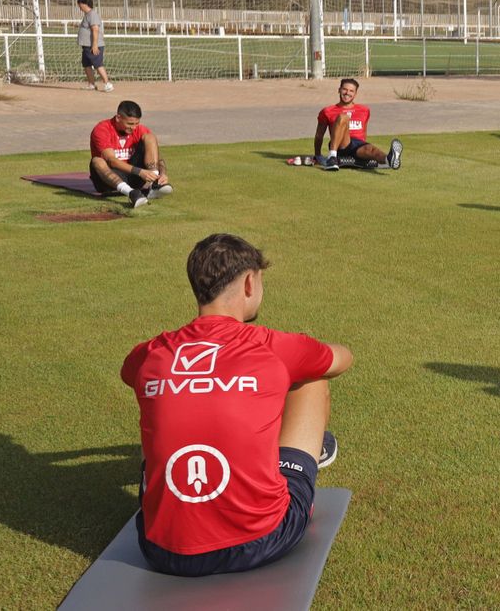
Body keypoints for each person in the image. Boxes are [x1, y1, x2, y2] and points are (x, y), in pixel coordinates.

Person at [121, 233, 354, 576]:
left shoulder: (150, 352)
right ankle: (302, 457)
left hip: (160, 549)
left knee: (160, 399)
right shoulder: (271, 345)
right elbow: (341, 359)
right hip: (259, 540)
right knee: (313, 378)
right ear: (249, 283)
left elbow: (129, 374)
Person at [90, 100, 171, 209]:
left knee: (150, 137)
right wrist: (140, 172)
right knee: (97, 161)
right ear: (118, 118)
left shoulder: (140, 130)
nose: (133, 127)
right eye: (130, 124)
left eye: (136, 123)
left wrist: (162, 174)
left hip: (134, 178)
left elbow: (157, 158)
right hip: (108, 180)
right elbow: (111, 161)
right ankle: (131, 193)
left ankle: (155, 185)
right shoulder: (102, 129)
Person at [314, 78, 402, 172]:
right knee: (343, 117)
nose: (347, 93)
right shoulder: (327, 111)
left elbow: (363, 132)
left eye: (351, 91)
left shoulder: (364, 110)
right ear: (339, 90)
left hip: (358, 145)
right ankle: (332, 157)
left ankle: (389, 159)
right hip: (341, 144)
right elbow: (319, 135)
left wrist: (364, 149)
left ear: (355, 94)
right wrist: (318, 155)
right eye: (344, 89)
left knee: (371, 149)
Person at [77, 0, 113, 93]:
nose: (79, 7)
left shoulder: (92, 15)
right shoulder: (87, 15)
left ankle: (107, 84)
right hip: (86, 46)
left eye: (80, 4)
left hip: (93, 46)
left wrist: (94, 45)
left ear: (85, 4)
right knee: (86, 64)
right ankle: (91, 84)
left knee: (98, 64)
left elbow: (95, 30)